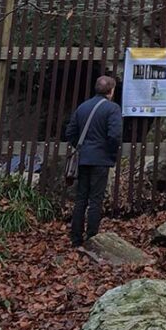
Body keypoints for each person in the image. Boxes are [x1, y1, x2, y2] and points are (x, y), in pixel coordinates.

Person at [65, 75, 122, 248]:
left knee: (81, 198)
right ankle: (92, 237)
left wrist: (82, 147)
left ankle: (75, 238)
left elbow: (70, 133)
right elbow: (114, 135)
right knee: (95, 200)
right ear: (111, 91)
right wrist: (110, 154)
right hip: (101, 159)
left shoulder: (83, 107)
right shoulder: (112, 109)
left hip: (84, 158)